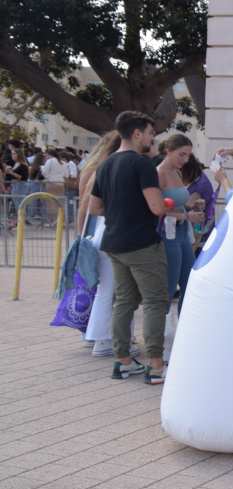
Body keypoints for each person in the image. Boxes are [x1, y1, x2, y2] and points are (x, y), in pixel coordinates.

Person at [89, 111, 172, 384]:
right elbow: (157, 207)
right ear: (137, 133)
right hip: (142, 244)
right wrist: (170, 204)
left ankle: (123, 361)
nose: (153, 138)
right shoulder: (142, 165)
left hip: (113, 242)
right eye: (150, 133)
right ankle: (156, 366)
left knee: (123, 301)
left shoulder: (105, 164)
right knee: (155, 302)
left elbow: (95, 207)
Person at [77, 132, 135, 357]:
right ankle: (106, 338)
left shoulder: (98, 168)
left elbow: (85, 207)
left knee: (104, 290)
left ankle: (97, 336)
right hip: (110, 233)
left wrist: (81, 237)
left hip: (99, 231)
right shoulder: (110, 170)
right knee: (115, 292)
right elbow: (88, 207)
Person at [156, 135, 203, 314]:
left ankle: (183, 329)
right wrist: (185, 216)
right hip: (169, 235)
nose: (185, 160)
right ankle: (159, 334)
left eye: (188, 155)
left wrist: (192, 206)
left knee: (189, 283)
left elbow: (178, 204)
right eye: (181, 154)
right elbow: (156, 210)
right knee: (168, 287)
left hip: (182, 234)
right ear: (168, 152)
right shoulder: (159, 174)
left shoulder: (176, 172)